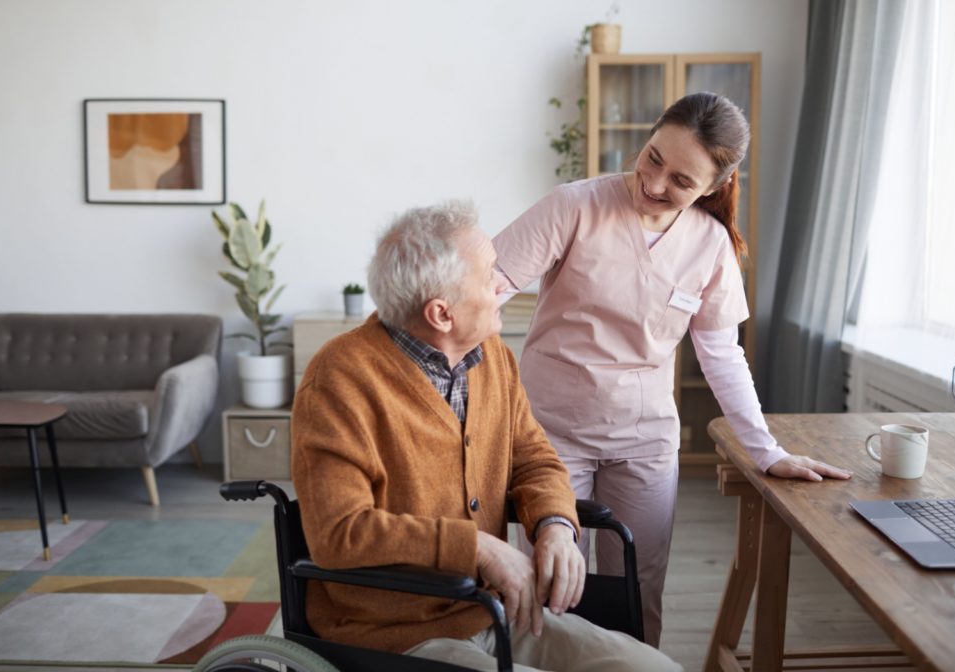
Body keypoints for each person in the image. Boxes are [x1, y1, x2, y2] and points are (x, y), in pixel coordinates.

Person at [491, 92, 852, 647]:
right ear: (651, 134)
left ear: (714, 186)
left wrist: (766, 451)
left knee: (636, 589)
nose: (655, 183)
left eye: (682, 180)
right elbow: (484, 291)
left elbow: (722, 355)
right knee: (550, 585)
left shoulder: (709, 245)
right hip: (550, 436)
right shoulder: (575, 206)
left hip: (644, 442)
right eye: (654, 156)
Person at [291, 200, 681, 672]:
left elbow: (534, 458)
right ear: (441, 313)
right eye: (489, 275)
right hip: (390, 633)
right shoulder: (339, 380)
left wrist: (556, 525)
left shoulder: (492, 356)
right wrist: (476, 547)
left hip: (497, 611)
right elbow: (340, 534)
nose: (504, 285)